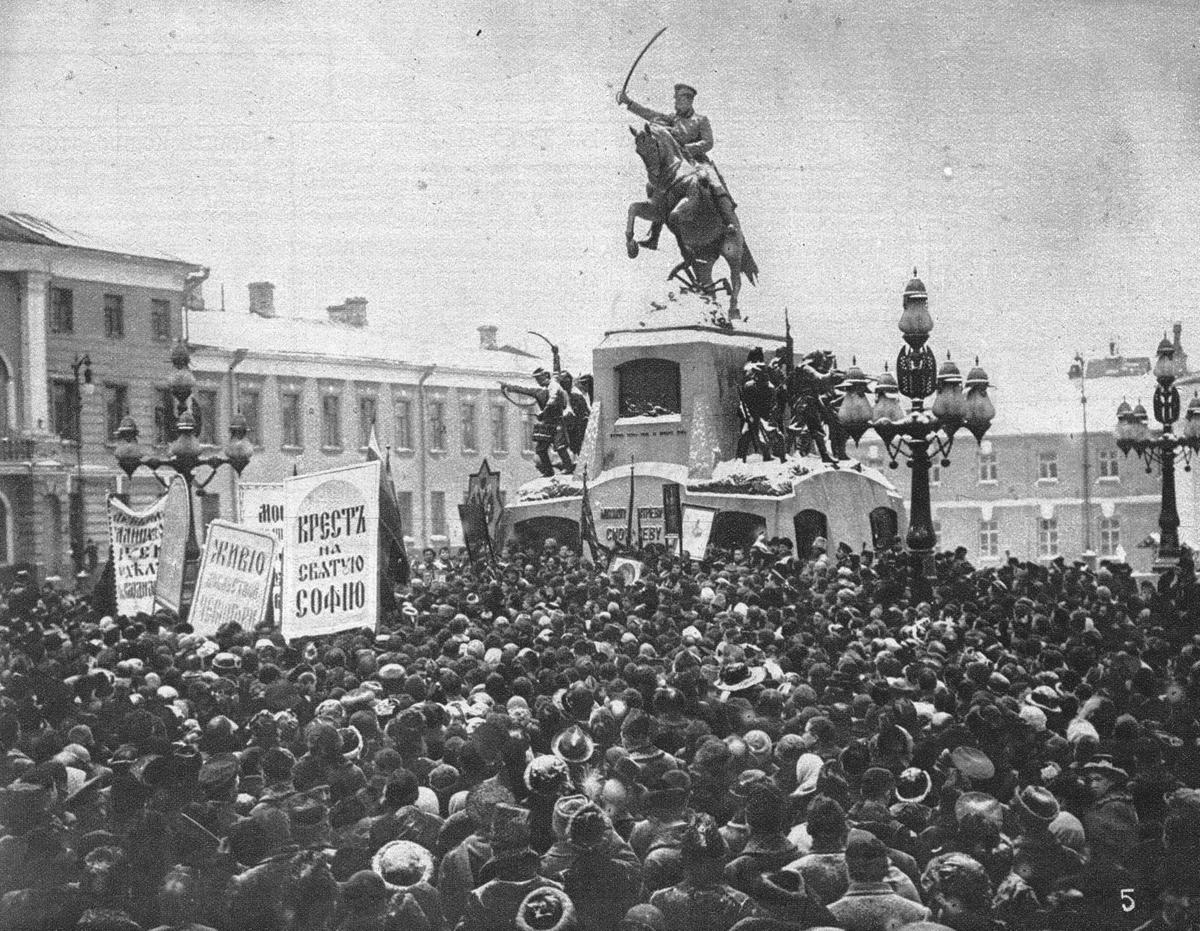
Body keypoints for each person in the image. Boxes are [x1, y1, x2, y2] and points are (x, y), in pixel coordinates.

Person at [618, 83, 738, 249]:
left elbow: (708, 142)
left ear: (689, 101)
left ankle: (729, 222)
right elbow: (650, 115)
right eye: (676, 100)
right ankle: (654, 236)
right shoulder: (672, 119)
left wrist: (688, 148)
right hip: (678, 163)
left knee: (712, 180)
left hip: (697, 161)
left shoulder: (701, 120)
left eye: (680, 100)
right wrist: (629, 102)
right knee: (655, 186)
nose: (676, 103)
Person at [501, 368, 575, 477]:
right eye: (537, 379)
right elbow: (525, 390)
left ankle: (568, 467)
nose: (538, 381)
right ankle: (548, 471)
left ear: (546, 376)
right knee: (541, 450)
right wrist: (509, 387)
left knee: (560, 447)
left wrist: (543, 413)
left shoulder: (555, 387)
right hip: (546, 424)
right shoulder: (539, 392)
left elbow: (552, 400)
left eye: (539, 378)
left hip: (557, 422)